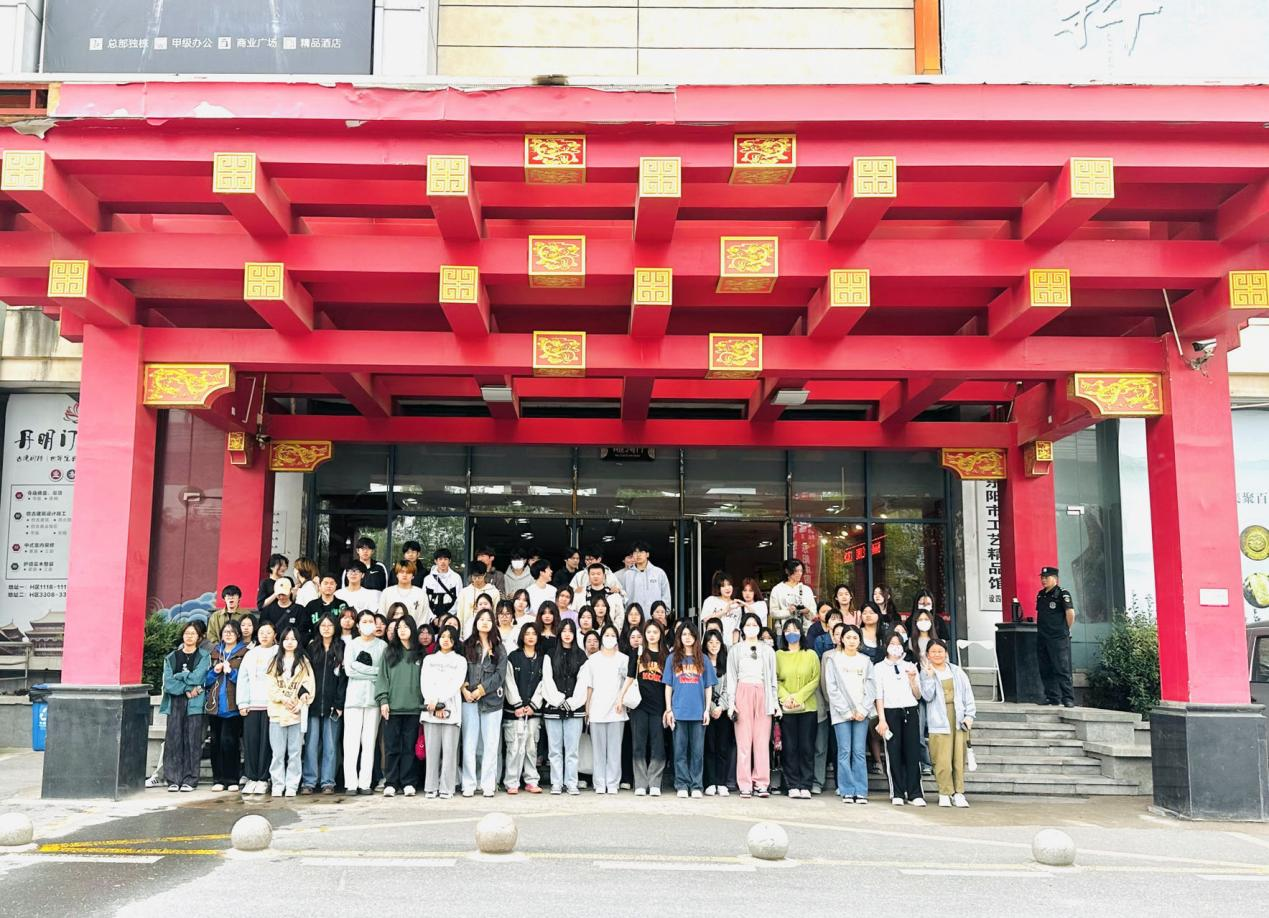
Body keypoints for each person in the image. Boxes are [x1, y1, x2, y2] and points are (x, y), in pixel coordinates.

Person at [726, 612, 779, 798]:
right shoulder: (736, 650)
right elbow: (731, 678)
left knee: (762, 742)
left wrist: (775, 702)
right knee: (743, 741)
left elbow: (772, 679)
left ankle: (762, 783)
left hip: (763, 693)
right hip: (742, 691)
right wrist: (731, 703)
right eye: (747, 625)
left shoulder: (768, 650)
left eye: (754, 624)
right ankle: (745, 783)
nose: (751, 628)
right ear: (742, 628)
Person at [919, 639, 975, 808]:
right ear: (928, 655)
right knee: (941, 759)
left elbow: (968, 695)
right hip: (938, 720)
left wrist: (969, 715)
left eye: (940, 651)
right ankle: (944, 792)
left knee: (958, 758)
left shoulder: (957, 671)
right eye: (933, 652)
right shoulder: (925, 672)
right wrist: (929, 677)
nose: (937, 654)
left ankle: (959, 793)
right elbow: (927, 696)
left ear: (946, 653)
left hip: (958, 718)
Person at [662, 622, 716, 798]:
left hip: (698, 713)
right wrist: (669, 710)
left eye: (690, 634)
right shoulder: (672, 659)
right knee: (680, 752)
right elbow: (668, 686)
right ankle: (682, 785)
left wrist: (707, 710)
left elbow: (708, 687)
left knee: (697, 753)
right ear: (679, 637)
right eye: (684, 634)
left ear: (696, 637)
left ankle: (696, 785)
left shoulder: (703, 659)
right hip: (679, 712)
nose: (687, 637)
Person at [824, 624, 875, 804]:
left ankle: (860, 791)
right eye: (848, 637)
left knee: (859, 751)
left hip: (861, 713)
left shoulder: (866, 661)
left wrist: (863, 709)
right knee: (844, 751)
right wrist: (846, 711)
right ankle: (846, 790)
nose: (852, 641)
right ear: (842, 639)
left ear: (860, 640)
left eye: (855, 638)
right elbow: (832, 688)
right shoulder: (834, 660)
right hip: (841, 713)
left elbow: (871, 687)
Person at [873, 628, 925, 806]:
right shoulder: (879, 668)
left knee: (912, 752)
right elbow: (878, 696)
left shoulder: (910, 666)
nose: (895, 647)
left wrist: (912, 680)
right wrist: (882, 719)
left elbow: (918, 695)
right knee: (893, 752)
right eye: (892, 644)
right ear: (886, 646)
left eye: (898, 644)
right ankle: (897, 792)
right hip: (890, 712)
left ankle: (915, 792)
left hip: (910, 710)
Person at [376, 615, 425, 797]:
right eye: (399, 627)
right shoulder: (389, 651)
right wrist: (383, 700)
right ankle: (391, 782)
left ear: (413, 629)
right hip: (393, 708)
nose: (402, 630)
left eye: (406, 626)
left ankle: (408, 782)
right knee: (391, 747)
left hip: (414, 708)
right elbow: (382, 677)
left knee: (409, 748)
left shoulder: (420, 653)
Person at [577, 623, 629, 794]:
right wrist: (587, 708)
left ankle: (613, 783)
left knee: (615, 749)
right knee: (598, 750)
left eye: (612, 635)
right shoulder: (593, 660)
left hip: (617, 710)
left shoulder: (623, 659)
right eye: (606, 635)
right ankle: (599, 782)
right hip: (597, 709)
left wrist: (621, 699)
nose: (609, 638)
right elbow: (589, 685)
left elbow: (628, 683)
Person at [160, 623, 210, 792]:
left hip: (195, 703)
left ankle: (190, 779)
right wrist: (187, 689)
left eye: (193, 634)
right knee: (173, 739)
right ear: (182, 636)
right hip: (175, 701)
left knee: (192, 740)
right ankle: (173, 779)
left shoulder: (203, 656)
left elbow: (198, 677)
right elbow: (168, 683)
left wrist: (180, 676)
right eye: (187, 633)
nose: (189, 636)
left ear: (199, 637)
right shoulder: (171, 657)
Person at [265, 626, 315, 797]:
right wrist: (283, 699)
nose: (290, 642)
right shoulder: (274, 661)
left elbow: (309, 685)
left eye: (293, 639)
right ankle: (278, 784)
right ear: (281, 641)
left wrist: (300, 703)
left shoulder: (304, 662)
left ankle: (292, 785)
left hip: (296, 713)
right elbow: (270, 686)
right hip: (277, 713)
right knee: (278, 753)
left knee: (295, 752)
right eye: (286, 639)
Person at [342, 610, 388, 795]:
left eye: (371, 621)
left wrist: (359, 667)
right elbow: (349, 671)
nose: (368, 624)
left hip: (373, 700)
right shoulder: (352, 645)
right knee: (351, 743)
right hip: (353, 699)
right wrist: (372, 671)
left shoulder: (382, 646)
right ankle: (351, 783)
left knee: (369, 743)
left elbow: (382, 672)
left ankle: (365, 783)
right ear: (358, 625)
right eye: (365, 621)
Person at [461, 608, 505, 798]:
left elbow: (500, 675)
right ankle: (469, 783)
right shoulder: (467, 646)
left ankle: (488, 783)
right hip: (468, 700)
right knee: (469, 743)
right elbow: (460, 670)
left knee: (491, 744)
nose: (485, 622)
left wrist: (481, 689)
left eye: (488, 619)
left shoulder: (499, 648)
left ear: (493, 623)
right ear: (476, 622)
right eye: (481, 619)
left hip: (492, 701)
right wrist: (464, 689)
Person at [421, 624, 467, 799]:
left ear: (455, 641)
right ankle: (430, 787)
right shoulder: (429, 659)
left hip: (451, 709)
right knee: (432, 752)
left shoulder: (460, 661)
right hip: (431, 709)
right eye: (443, 636)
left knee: (449, 752)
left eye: (450, 637)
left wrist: (441, 703)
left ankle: (447, 788)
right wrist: (433, 702)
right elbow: (425, 682)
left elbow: (455, 683)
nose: (446, 640)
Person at [622, 619, 667, 796]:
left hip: (659, 706)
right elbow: (630, 677)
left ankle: (655, 783)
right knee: (638, 744)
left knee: (658, 744)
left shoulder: (666, 655)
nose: (652, 635)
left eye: (655, 632)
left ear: (660, 634)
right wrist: (620, 697)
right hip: (639, 706)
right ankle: (640, 783)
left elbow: (669, 684)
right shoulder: (638, 652)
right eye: (648, 632)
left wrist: (668, 708)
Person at [775, 618, 819, 798]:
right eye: (788, 630)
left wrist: (798, 697)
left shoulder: (811, 655)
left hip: (808, 708)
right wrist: (786, 698)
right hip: (787, 709)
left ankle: (806, 784)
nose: (791, 633)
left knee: (807, 747)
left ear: (801, 632)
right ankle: (792, 784)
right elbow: (775, 680)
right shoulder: (778, 655)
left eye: (795, 629)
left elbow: (815, 679)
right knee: (790, 747)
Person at [301, 614, 345, 795]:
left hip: (333, 706)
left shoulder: (341, 647)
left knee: (331, 745)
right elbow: (303, 674)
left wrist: (339, 703)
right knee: (311, 745)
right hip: (312, 704)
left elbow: (343, 679)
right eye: (323, 625)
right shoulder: (312, 648)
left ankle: (328, 782)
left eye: (330, 625)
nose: (326, 628)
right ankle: (309, 782)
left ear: (335, 628)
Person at [541, 619, 586, 795]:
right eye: (564, 631)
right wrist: (559, 700)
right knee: (555, 750)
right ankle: (556, 783)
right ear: (559, 633)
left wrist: (572, 702)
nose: (567, 634)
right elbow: (547, 679)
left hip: (575, 709)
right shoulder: (550, 654)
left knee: (572, 750)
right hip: (553, 708)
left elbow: (583, 682)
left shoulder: (581, 656)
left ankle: (571, 783)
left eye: (570, 631)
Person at [503, 622, 548, 794]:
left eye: (534, 634)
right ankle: (511, 781)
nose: (530, 637)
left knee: (531, 746)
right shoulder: (513, 657)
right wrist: (518, 704)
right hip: (514, 712)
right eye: (527, 633)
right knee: (514, 747)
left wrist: (533, 705)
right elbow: (509, 682)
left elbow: (544, 683)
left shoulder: (542, 659)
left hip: (533, 711)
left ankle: (531, 780)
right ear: (522, 636)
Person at [236, 619, 278, 795]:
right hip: (253, 705)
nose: (264, 636)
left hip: (272, 706)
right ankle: (252, 777)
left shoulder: (279, 652)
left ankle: (263, 778)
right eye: (261, 633)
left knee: (267, 744)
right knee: (251, 742)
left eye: (268, 633)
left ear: (275, 635)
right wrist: (242, 703)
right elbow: (243, 679)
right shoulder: (251, 654)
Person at [206, 620, 247, 792]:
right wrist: (214, 671)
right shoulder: (215, 652)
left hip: (233, 705)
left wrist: (231, 672)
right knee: (215, 742)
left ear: (238, 634)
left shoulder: (244, 653)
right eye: (225, 632)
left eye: (232, 631)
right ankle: (218, 779)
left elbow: (246, 680)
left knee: (229, 742)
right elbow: (205, 680)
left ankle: (232, 779)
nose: (228, 634)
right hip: (214, 706)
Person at [1036, 566, 1076, 708]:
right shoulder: (1041, 594)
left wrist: (1065, 629)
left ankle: (1068, 698)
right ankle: (1052, 697)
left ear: (1054, 578)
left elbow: (1070, 613)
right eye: (1042, 577)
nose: (1043, 580)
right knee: (1045, 668)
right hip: (1043, 636)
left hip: (1058, 637)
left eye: (1046, 577)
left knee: (1061, 668)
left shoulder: (1062, 594)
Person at [702, 629, 734, 796]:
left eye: (717, 642)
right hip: (707, 711)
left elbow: (730, 687)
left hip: (723, 712)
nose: (714, 646)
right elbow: (700, 687)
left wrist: (721, 706)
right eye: (710, 642)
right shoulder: (701, 663)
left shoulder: (727, 663)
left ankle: (721, 782)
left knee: (722, 747)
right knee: (709, 747)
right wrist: (711, 707)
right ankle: (710, 782)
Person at [619, 540, 672, 613]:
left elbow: (666, 595)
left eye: (641, 552)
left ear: (647, 554)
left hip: (655, 616)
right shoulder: (627, 575)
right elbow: (623, 597)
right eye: (635, 552)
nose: (638, 555)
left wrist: (664, 613)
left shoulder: (659, 573)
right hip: (634, 616)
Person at [265, 576, 311, 649]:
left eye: (284, 594)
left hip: (294, 647)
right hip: (273, 647)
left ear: (290, 590)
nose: (281, 597)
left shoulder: (299, 610)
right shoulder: (268, 610)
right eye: (279, 594)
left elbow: (304, 631)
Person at [456, 560, 500, 633]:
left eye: (479, 577)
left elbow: (496, 613)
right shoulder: (464, 592)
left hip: (488, 630)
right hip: (468, 630)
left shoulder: (494, 592)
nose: (476, 580)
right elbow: (460, 615)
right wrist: (460, 633)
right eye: (474, 577)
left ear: (485, 574)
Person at [768, 560, 815, 628]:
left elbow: (813, 613)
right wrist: (788, 611)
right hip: (784, 629)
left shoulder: (806, 590)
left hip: (804, 629)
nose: (800, 573)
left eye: (801, 571)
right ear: (787, 571)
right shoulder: (777, 589)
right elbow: (773, 613)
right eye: (796, 571)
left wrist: (807, 612)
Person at [700, 572, 743, 647]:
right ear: (718, 588)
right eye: (723, 586)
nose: (727, 588)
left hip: (729, 645)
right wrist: (724, 611)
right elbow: (705, 620)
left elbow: (736, 630)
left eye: (729, 585)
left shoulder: (736, 606)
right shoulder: (711, 600)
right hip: (711, 644)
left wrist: (734, 647)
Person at [422, 548, 463, 620]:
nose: (443, 562)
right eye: (440, 559)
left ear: (449, 561)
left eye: (445, 559)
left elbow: (459, 599)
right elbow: (424, 600)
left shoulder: (456, 578)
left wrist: (447, 617)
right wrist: (433, 618)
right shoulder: (428, 579)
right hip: (432, 619)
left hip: (450, 618)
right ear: (435, 561)